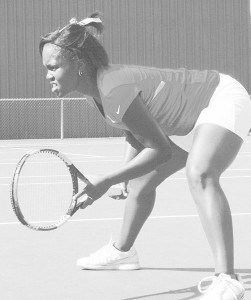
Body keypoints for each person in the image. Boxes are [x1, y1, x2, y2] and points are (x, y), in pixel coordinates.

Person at [39, 12, 250, 300]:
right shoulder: (95, 92)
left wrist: (108, 179)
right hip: (183, 124)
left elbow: (160, 150)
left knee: (200, 173)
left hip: (219, 98)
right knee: (139, 185)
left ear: (78, 64)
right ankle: (122, 252)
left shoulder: (112, 87)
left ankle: (227, 280)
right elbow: (135, 131)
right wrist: (126, 175)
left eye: (52, 67)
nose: (48, 75)